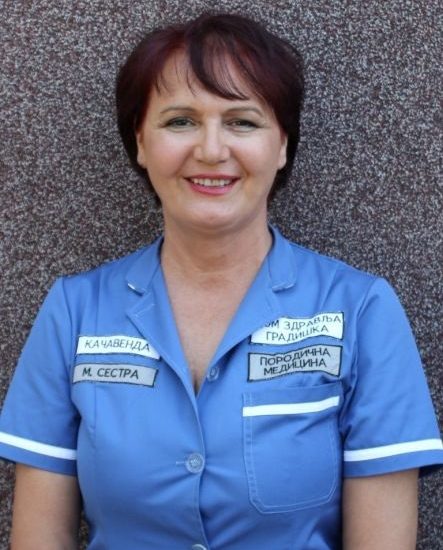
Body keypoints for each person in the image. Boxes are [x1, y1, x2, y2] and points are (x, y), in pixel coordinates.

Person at [0, 12, 442, 550]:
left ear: (282, 145)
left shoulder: (361, 310)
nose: (211, 150)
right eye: (180, 121)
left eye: (242, 122)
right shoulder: (74, 313)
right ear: (141, 142)